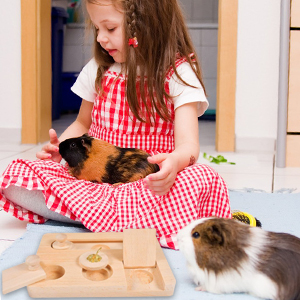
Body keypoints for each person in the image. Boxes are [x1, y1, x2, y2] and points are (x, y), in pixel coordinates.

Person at [0, 0, 231, 249]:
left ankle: (89, 215)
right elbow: (81, 122)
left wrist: (175, 162)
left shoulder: (177, 73)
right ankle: (128, 220)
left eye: (109, 28)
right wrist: (59, 150)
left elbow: (188, 145)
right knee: (16, 174)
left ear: (147, 25)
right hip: (93, 184)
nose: (100, 38)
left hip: (147, 188)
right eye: (97, 28)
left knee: (202, 178)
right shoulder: (99, 69)